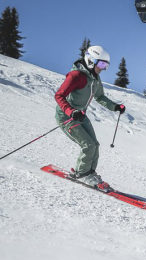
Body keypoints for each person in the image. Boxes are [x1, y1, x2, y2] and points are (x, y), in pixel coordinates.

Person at [54, 45, 125, 190]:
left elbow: (100, 97)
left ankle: (90, 172)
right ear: (91, 60)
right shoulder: (76, 76)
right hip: (67, 116)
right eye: (101, 64)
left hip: (81, 116)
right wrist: (71, 111)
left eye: (106, 65)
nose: (103, 68)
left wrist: (115, 107)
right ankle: (82, 174)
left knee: (95, 144)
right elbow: (59, 95)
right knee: (88, 145)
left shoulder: (95, 79)